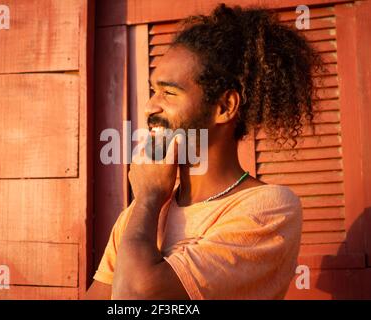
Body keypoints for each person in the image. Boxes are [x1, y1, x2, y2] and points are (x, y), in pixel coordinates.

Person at [85, 4, 324, 300]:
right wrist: (147, 203)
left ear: (224, 107)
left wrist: (146, 198)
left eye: (169, 93)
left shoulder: (269, 207)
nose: (149, 107)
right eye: (153, 90)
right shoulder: (141, 214)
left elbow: (135, 297)